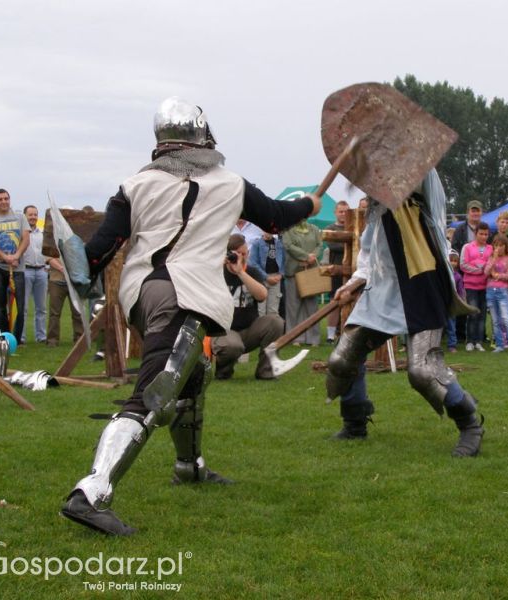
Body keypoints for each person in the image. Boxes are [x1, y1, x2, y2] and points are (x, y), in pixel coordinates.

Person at [60, 96, 320, 535]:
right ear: (203, 135)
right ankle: (92, 489)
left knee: (193, 376)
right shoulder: (230, 183)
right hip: (185, 296)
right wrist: (309, 206)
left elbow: (96, 254)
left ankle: (189, 465)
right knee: (157, 390)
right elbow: (275, 219)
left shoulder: (134, 185)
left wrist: (75, 268)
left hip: (145, 294)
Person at [326, 170, 483, 457]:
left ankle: (470, 423)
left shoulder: (423, 188)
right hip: (384, 289)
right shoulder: (377, 206)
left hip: (422, 284)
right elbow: (371, 252)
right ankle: (355, 422)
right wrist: (353, 283)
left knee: (423, 372)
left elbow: (419, 167)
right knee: (343, 357)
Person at [212, 234, 283, 380]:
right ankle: (223, 371)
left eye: (245, 253)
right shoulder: (216, 272)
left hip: (249, 330)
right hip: (223, 331)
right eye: (238, 254)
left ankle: (266, 371)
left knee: (275, 322)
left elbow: (262, 295)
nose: (242, 257)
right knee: (233, 345)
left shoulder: (251, 272)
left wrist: (241, 272)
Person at [0, 189, 29, 343]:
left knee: (19, 306)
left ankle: (16, 339)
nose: (3, 202)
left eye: (6, 198)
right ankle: (2, 337)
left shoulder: (20, 217)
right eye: (0, 199)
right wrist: (5, 257)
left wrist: (16, 256)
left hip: (17, 267)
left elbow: (25, 239)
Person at [283, 218, 323, 346]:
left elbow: (319, 245)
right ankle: (294, 338)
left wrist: (312, 257)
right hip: (293, 272)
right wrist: (306, 256)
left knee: (312, 306)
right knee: (293, 307)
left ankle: (314, 339)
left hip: (311, 272)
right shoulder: (287, 229)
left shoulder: (314, 229)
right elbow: (288, 246)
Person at [484, 234, 508, 354]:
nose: (498, 248)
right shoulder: (491, 258)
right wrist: (493, 260)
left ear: (506, 246)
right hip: (490, 290)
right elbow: (486, 272)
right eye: (496, 245)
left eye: (500, 245)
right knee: (495, 320)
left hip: (503, 291)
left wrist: (498, 276)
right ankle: (499, 345)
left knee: (506, 319)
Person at [460, 221, 490, 351]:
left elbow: (491, 263)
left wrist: (479, 265)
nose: (484, 236)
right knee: (472, 313)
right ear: (475, 233)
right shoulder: (467, 247)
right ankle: (470, 341)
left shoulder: (491, 248)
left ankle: (479, 341)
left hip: (485, 286)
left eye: (486, 234)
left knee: (482, 315)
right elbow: (463, 265)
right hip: (471, 285)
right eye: (481, 234)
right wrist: (479, 269)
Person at [323, 200, 349, 342]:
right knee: (334, 301)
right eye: (341, 211)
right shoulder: (330, 228)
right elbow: (333, 246)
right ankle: (330, 335)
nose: (343, 214)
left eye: (346, 211)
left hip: (353, 272)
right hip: (336, 271)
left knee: (351, 301)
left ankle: (347, 333)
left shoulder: (354, 226)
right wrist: (350, 242)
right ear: (335, 212)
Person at [21, 205, 48, 344]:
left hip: (41, 271)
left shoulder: (42, 233)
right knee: (23, 307)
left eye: (35, 214)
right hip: (26, 270)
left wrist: (47, 267)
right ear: (25, 216)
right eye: (30, 214)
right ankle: (22, 337)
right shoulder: (21, 233)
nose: (33, 217)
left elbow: (48, 252)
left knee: (41, 307)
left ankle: (41, 337)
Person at [249, 231, 284, 317]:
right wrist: (266, 277)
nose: (267, 232)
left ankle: (272, 329)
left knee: (273, 310)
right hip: (261, 279)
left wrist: (280, 275)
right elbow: (253, 263)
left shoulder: (279, 243)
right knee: (261, 311)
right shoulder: (256, 244)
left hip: (276, 278)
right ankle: (261, 329)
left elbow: (284, 260)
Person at [444, 250, 464, 353]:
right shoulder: (442, 274)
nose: (453, 263)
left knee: (452, 325)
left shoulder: (458, 276)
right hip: (442, 303)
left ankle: (452, 344)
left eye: (455, 261)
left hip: (452, 303)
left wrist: (461, 301)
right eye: (451, 260)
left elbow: (460, 291)